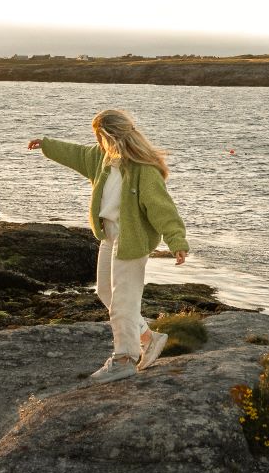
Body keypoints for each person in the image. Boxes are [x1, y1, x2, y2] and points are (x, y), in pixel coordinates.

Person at [28, 109, 189, 379]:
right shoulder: (101, 160)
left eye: (99, 136)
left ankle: (125, 359)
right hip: (109, 235)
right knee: (106, 291)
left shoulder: (143, 170)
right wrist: (47, 144)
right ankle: (148, 337)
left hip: (132, 239)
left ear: (110, 136)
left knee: (123, 302)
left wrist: (177, 241)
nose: (96, 142)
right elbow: (75, 153)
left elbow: (163, 209)